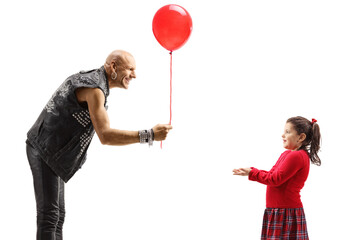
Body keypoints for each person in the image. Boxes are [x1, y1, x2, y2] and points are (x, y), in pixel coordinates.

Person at [26, 50, 173, 240]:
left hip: (52, 152)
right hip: (44, 150)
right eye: (130, 69)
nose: (134, 75)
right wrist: (149, 135)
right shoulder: (95, 89)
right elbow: (106, 135)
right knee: (50, 216)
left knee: (57, 216)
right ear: (113, 66)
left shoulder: (96, 83)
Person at [233, 116, 321, 240]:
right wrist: (252, 171)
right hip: (278, 210)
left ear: (301, 137)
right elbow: (272, 174)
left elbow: (274, 180)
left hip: (285, 212)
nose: (282, 135)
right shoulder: (287, 154)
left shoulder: (297, 156)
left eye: (288, 132)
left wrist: (252, 173)